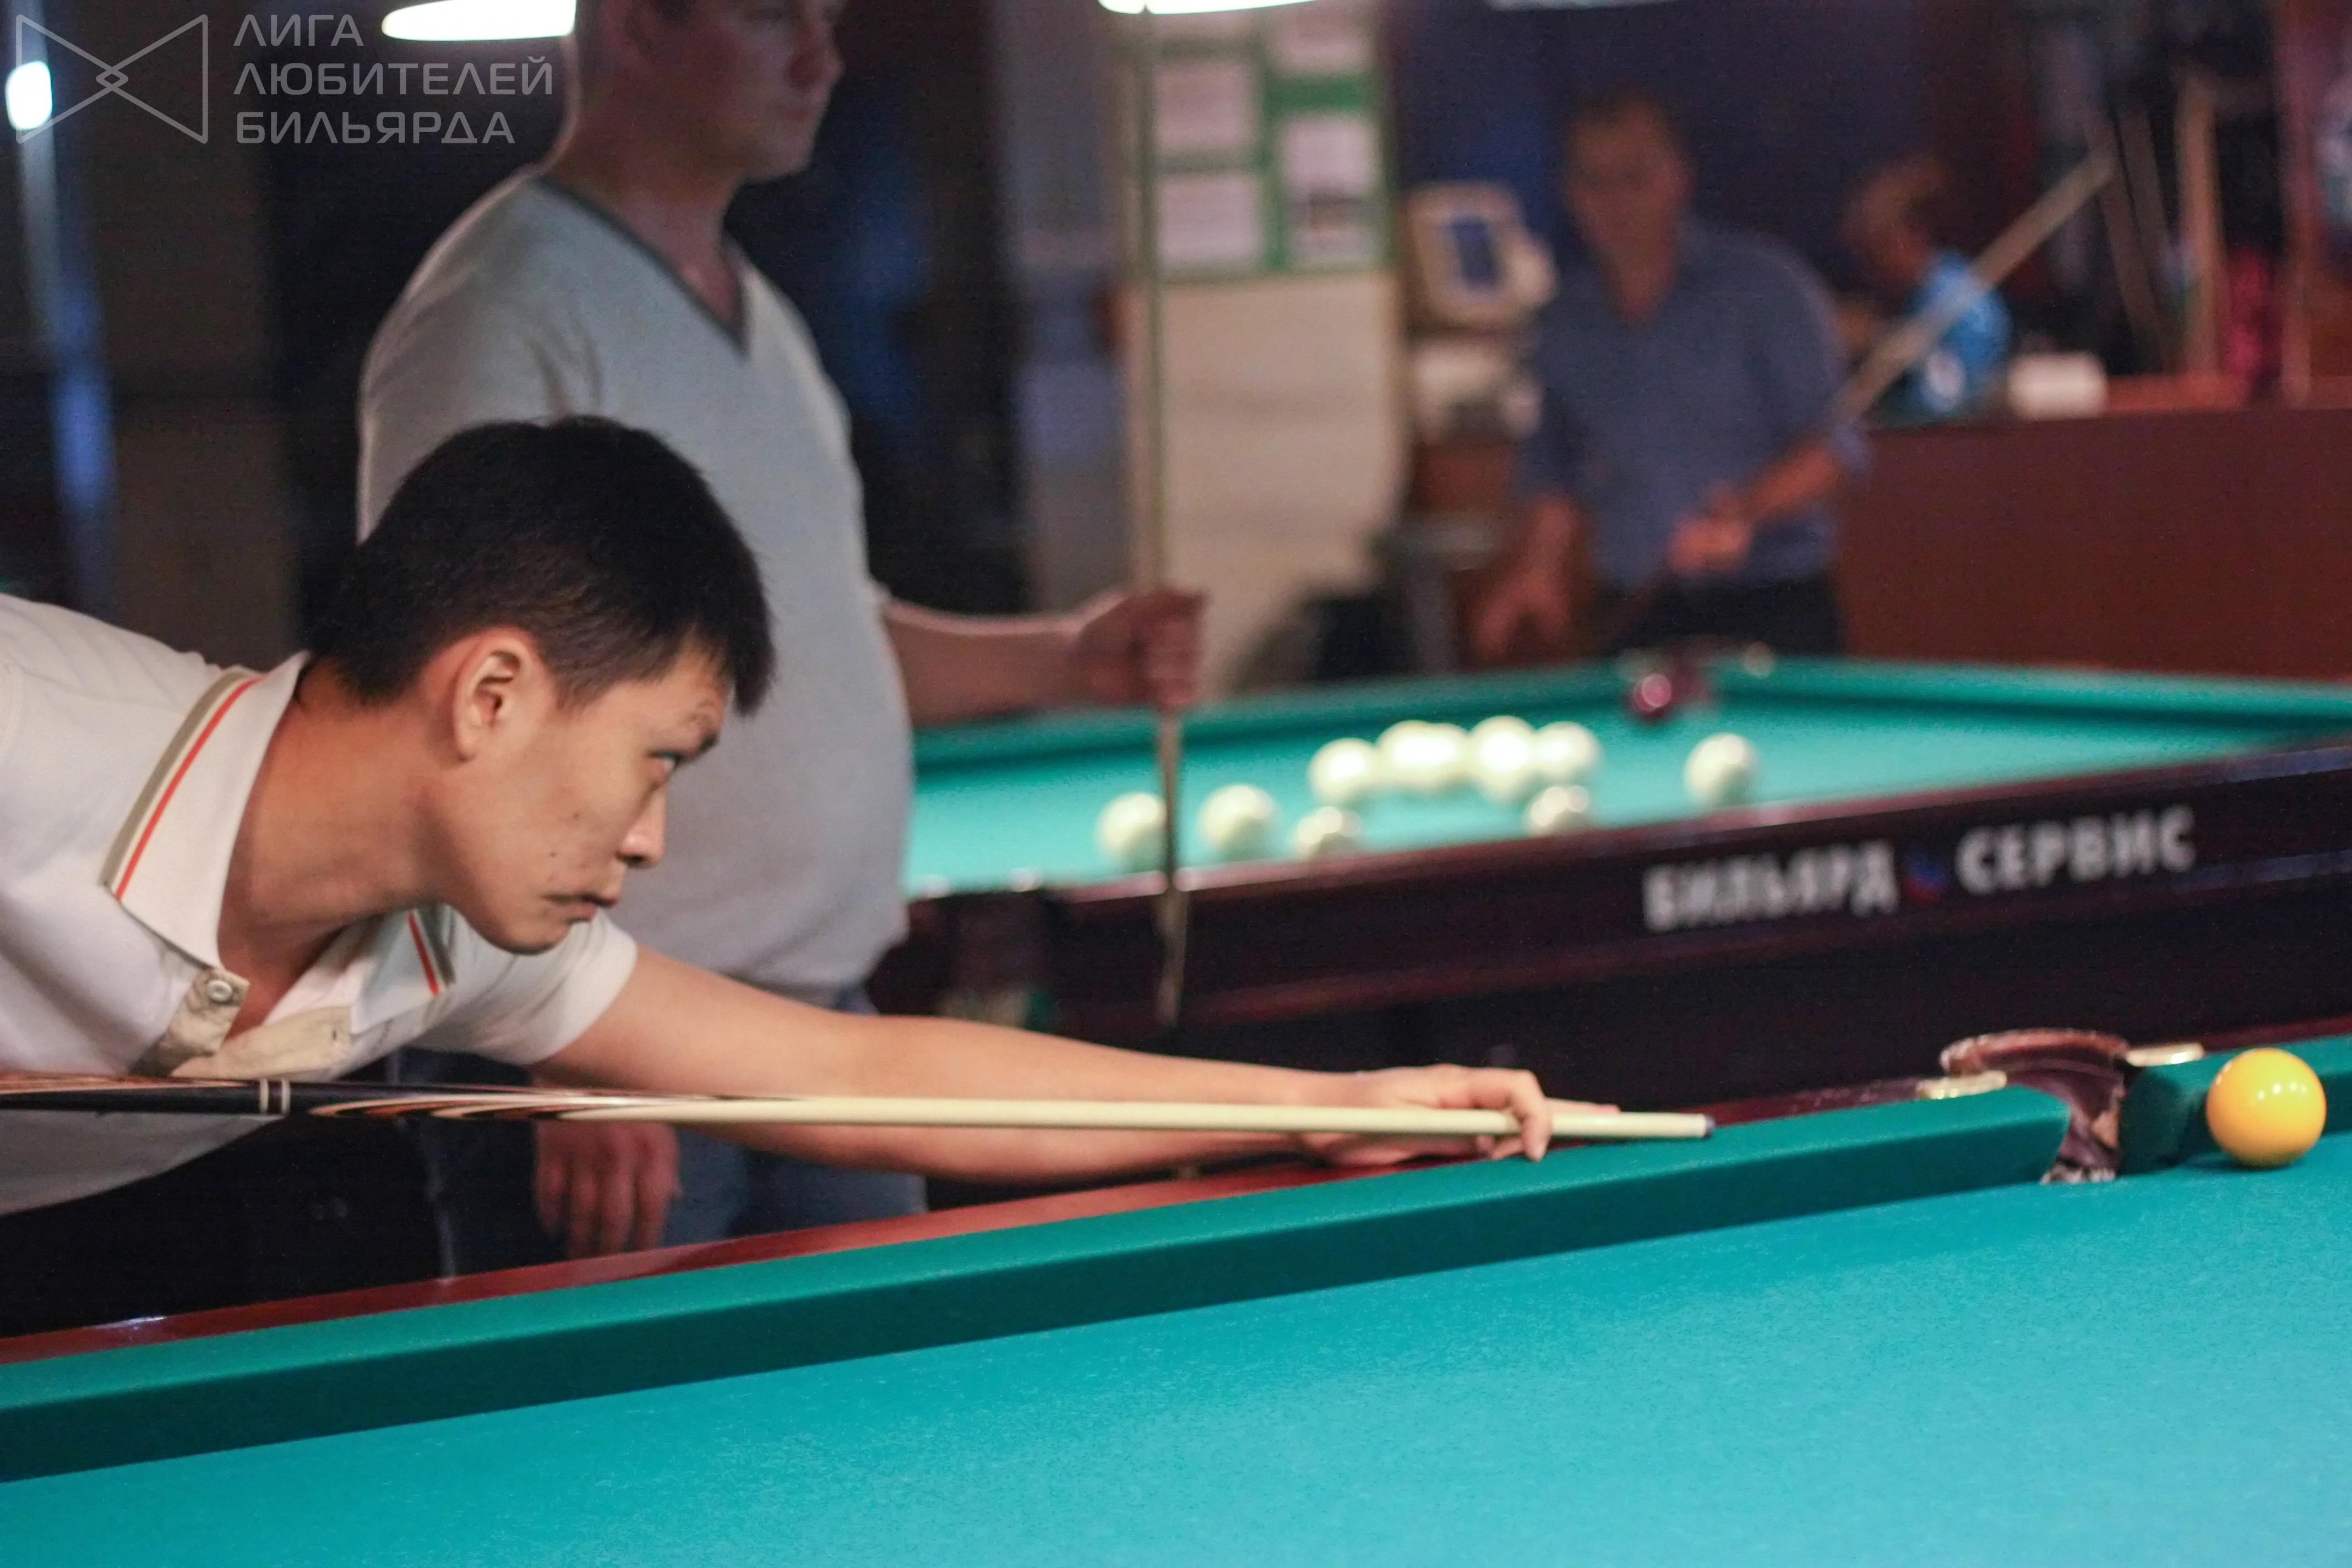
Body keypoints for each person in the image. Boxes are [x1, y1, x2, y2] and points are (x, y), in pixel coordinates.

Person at [0, 420, 1575, 1337]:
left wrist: (1328, 1103)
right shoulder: (35, 735)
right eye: (657, 761)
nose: (651, 839)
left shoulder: (454, 936)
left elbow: (860, 1072)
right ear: (491, 696)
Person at [358, 0, 1202, 1260]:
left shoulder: (763, 314)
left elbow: (822, 637)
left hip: (820, 1034)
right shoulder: (499, 306)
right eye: (772, 18)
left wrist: (1065, 657)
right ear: (637, 29)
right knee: (634, 1402)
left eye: (827, 17)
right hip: (616, 1058)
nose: (823, 55)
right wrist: (559, 1041)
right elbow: (450, 700)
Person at [1474, 89, 1868, 662]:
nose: (1615, 202)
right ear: (1569, 191)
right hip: (1639, 606)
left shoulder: (1767, 289)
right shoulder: (1564, 320)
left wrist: (1744, 514)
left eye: (1634, 178)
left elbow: (1836, 452)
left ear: (1678, 178)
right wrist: (1537, 569)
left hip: (1772, 603)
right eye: (1594, 181)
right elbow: (1554, 466)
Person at [1843, 157, 2011, 424]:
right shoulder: (1913, 299)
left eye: (1879, 249)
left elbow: (1946, 404)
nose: (1873, 269)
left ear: (1913, 235)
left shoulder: (1962, 304)